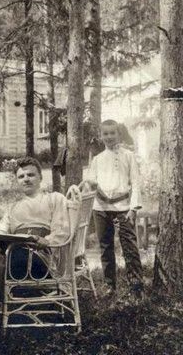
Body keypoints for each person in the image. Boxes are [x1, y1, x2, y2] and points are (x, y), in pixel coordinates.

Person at [0, 156, 71, 334]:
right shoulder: (14, 207)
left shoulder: (54, 198)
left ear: (40, 178)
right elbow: (0, 233)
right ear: (17, 181)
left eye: (31, 175)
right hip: (17, 256)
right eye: (21, 176)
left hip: (41, 259)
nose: (26, 179)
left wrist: (47, 240)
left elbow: (63, 229)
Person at [85, 119, 143, 298]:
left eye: (112, 133)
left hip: (123, 208)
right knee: (105, 247)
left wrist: (133, 209)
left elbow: (136, 182)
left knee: (129, 246)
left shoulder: (128, 156)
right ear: (101, 136)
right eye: (105, 134)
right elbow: (90, 182)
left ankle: (136, 287)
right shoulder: (97, 159)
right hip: (101, 208)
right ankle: (111, 287)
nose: (109, 137)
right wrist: (91, 184)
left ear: (118, 134)